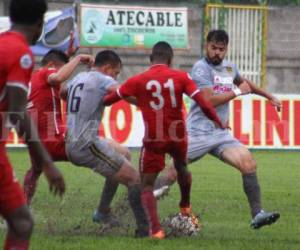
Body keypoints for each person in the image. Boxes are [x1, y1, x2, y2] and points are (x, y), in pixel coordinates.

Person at [103, 41, 224, 239]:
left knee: (147, 186)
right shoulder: (181, 77)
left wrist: (119, 96)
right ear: (170, 59)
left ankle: (156, 230)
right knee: (182, 168)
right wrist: (218, 121)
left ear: (151, 59)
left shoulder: (138, 80)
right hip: (177, 135)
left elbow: (108, 100)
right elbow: (203, 102)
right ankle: (185, 206)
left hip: (154, 138)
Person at [166, 29, 281, 229]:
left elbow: (246, 83)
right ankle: (143, 204)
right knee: (171, 171)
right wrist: (237, 91)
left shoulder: (229, 67)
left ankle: (258, 214)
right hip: (198, 132)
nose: (217, 53)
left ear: (226, 49)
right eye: (213, 48)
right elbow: (208, 100)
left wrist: (269, 96)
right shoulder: (201, 68)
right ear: (206, 46)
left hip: (220, 134)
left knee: (248, 163)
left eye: (221, 49)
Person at [60, 50, 152, 237]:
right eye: (116, 73)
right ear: (107, 68)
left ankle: (102, 212)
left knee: (124, 153)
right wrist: (147, 102)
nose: (115, 76)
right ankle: (145, 229)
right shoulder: (103, 79)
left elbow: (63, 92)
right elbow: (124, 92)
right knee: (134, 179)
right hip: (86, 144)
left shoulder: (80, 77)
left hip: (73, 140)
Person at [0, 0, 66, 249]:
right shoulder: (20, 52)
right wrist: (47, 163)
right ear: (40, 24)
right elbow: (18, 112)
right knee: (22, 223)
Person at [23, 49, 94, 204]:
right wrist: (79, 58)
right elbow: (59, 76)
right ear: (50, 65)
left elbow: (63, 92)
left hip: (35, 140)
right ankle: (105, 209)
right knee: (107, 151)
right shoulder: (46, 72)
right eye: (60, 67)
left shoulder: (33, 78)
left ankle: (21, 208)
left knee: (35, 170)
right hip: (52, 137)